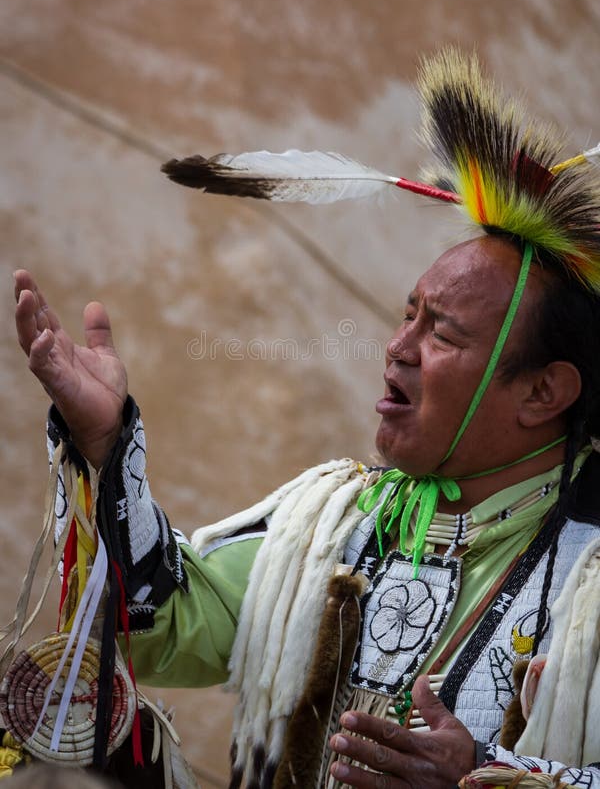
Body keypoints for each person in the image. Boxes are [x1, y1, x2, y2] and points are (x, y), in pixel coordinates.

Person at [13, 50, 600, 788]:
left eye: (443, 334)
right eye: (407, 316)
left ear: (544, 393)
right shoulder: (332, 523)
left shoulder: (591, 568)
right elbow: (154, 625)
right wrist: (104, 443)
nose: (398, 347)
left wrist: (486, 777)